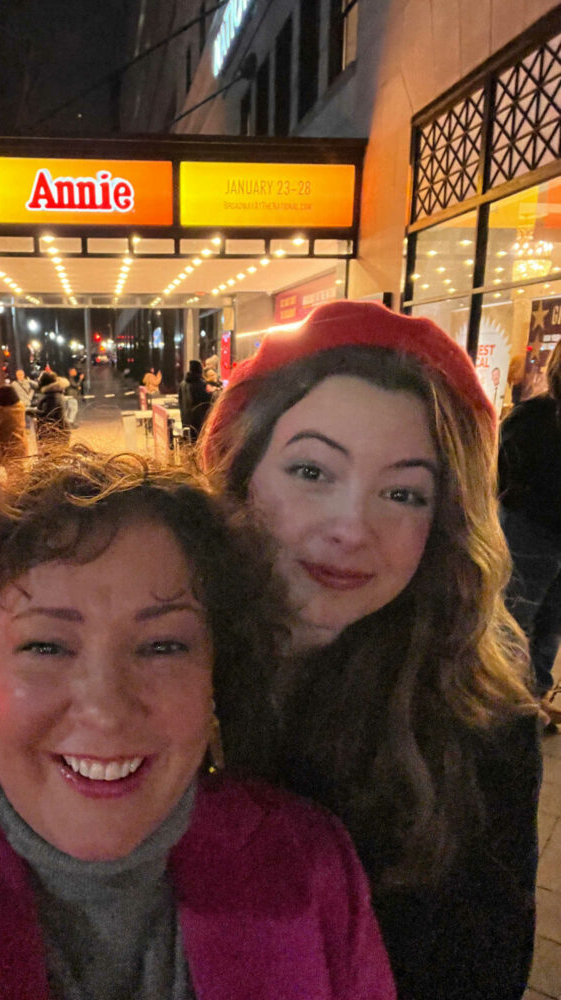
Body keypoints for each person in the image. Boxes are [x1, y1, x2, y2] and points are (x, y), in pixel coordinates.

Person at [0, 448, 395, 999]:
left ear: (216, 678)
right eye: (46, 646)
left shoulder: (310, 864)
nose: (106, 708)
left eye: (163, 646)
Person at [200, 300, 542, 1000]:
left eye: (402, 493)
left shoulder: (479, 726)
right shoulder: (148, 666)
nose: (352, 527)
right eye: (312, 473)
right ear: (239, 475)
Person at [499, 338, 561, 728]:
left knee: (521, 617)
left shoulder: (530, 417)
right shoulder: (533, 417)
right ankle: (520, 701)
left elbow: (506, 476)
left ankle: (517, 702)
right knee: (536, 620)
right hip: (533, 530)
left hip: (531, 528)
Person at [0, 384, 29, 472]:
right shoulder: (21, 406)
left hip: (8, 447)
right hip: (21, 443)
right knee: (20, 470)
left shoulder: (2, 411)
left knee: (12, 473)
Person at [178, 360, 213, 443]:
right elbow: (207, 402)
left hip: (185, 420)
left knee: (189, 442)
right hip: (198, 423)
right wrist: (211, 392)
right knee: (197, 444)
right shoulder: (200, 384)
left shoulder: (183, 384)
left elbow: (180, 402)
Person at [35, 369, 70, 443]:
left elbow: (47, 415)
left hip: (54, 433)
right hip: (58, 431)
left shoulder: (52, 395)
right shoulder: (55, 393)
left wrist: (29, 411)